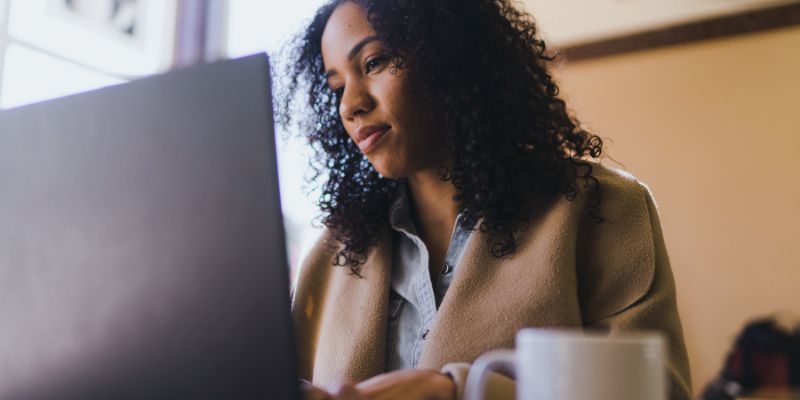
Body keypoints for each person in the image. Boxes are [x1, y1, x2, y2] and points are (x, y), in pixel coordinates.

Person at [279, 0, 693, 399]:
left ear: (448, 55)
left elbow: (655, 393)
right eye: (336, 86)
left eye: (374, 63)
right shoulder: (334, 254)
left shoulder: (601, 209)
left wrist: (456, 391)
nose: (350, 104)